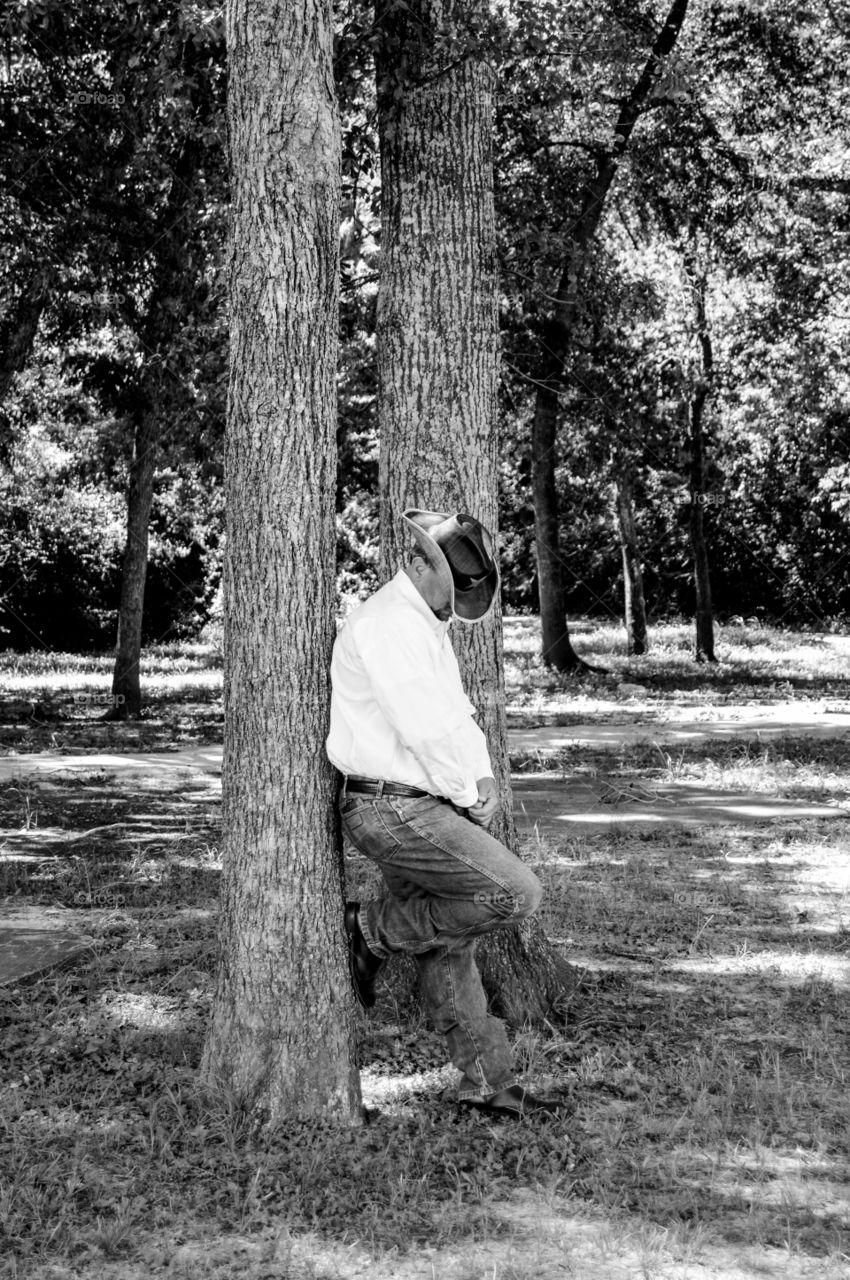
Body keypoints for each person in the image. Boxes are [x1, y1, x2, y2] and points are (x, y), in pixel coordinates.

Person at [326, 508, 566, 1119]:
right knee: (515, 893)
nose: (455, 603)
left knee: (449, 938)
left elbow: (456, 718)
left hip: (411, 803)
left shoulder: (423, 624)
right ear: (426, 569)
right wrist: (466, 793)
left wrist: (481, 777)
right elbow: (425, 730)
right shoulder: (388, 625)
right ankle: (372, 930)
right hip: (388, 807)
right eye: (450, 585)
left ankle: (487, 1083)